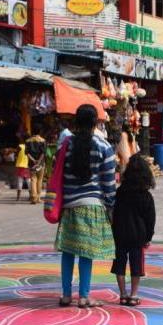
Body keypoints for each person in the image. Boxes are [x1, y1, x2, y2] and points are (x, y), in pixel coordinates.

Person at [55, 104, 116, 308]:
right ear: (96, 122)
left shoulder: (65, 145)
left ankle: (66, 295)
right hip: (92, 206)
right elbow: (109, 183)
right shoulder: (104, 146)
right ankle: (84, 296)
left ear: (76, 122)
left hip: (69, 206)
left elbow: (58, 175)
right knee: (86, 253)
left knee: (68, 251)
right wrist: (111, 206)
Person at [111, 153, 156, 306]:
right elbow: (150, 219)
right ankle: (134, 295)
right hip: (138, 236)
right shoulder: (146, 196)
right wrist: (148, 237)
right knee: (136, 265)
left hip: (119, 234)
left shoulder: (120, 192)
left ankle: (123, 294)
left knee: (119, 264)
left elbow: (114, 213)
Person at [25, 129, 47, 204]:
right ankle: (38, 198)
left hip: (32, 163)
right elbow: (43, 153)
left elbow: (27, 153)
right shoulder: (43, 140)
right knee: (40, 180)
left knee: (33, 179)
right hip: (41, 163)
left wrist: (33, 160)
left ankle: (33, 197)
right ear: (40, 132)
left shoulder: (28, 141)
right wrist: (39, 161)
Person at [14, 136, 31, 202]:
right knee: (28, 181)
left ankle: (18, 197)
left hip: (20, 166)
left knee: (19, 181)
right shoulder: (28, 147)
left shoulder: (19, 146)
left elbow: (15, 155)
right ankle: (31, 196)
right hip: (26, 166)